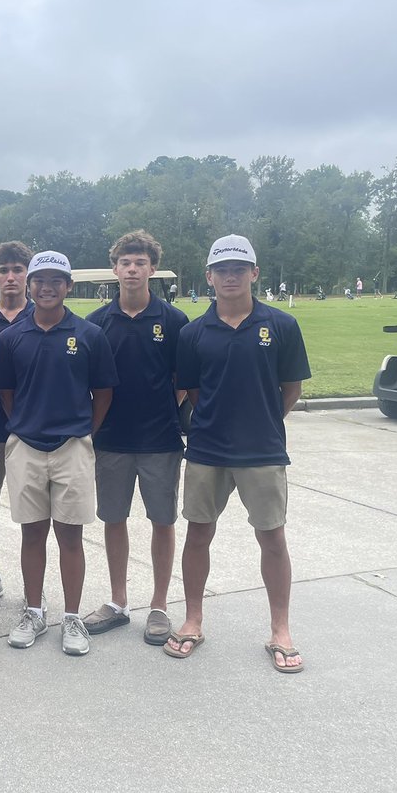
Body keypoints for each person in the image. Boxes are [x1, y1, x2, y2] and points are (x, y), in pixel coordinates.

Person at [164, 234, 310, 674]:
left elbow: (291, 388)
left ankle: (280, 630)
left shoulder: (281, 325)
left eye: (239, 268)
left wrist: (262, 421)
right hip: (207, 448)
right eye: (222, 269)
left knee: (272, 537)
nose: (231, 276)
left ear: (254, 273)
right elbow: (190, 390)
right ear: (209, 276)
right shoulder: (192, 332)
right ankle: (192, 619)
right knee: (198, 533)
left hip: (263, 450)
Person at [0, 251, 118, 656]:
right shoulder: (11, 337)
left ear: (68, 286)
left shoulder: (88, 334)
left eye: (55, 281)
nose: (46, 288)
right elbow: (6, 393)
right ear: (30, 285)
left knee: (70, 535)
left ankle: (72, 617)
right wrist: (27, 425)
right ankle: (33, 611)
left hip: (73, 446)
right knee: (32, 533)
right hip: (26, 445)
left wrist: (83, 432)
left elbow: (103, 393)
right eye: (39, 280)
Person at [83, 231, 188, 646]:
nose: (132, 269)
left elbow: (182, 381)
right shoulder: (96, 323)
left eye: (140, 262)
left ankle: (159, 605)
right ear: (115, 269)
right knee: (113, 520)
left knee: (162, 521)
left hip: (160, 439)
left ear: (152, 269)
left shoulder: (175, 321)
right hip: (111, 439)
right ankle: (119, 602)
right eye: (125, 262)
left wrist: (161, 407)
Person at [0, 241, 34, 609]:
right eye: (4, 270)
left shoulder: (44, 314)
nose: (11, 277)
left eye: (18, 269)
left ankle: (35, 581)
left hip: (35, 429)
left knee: (35, 513)